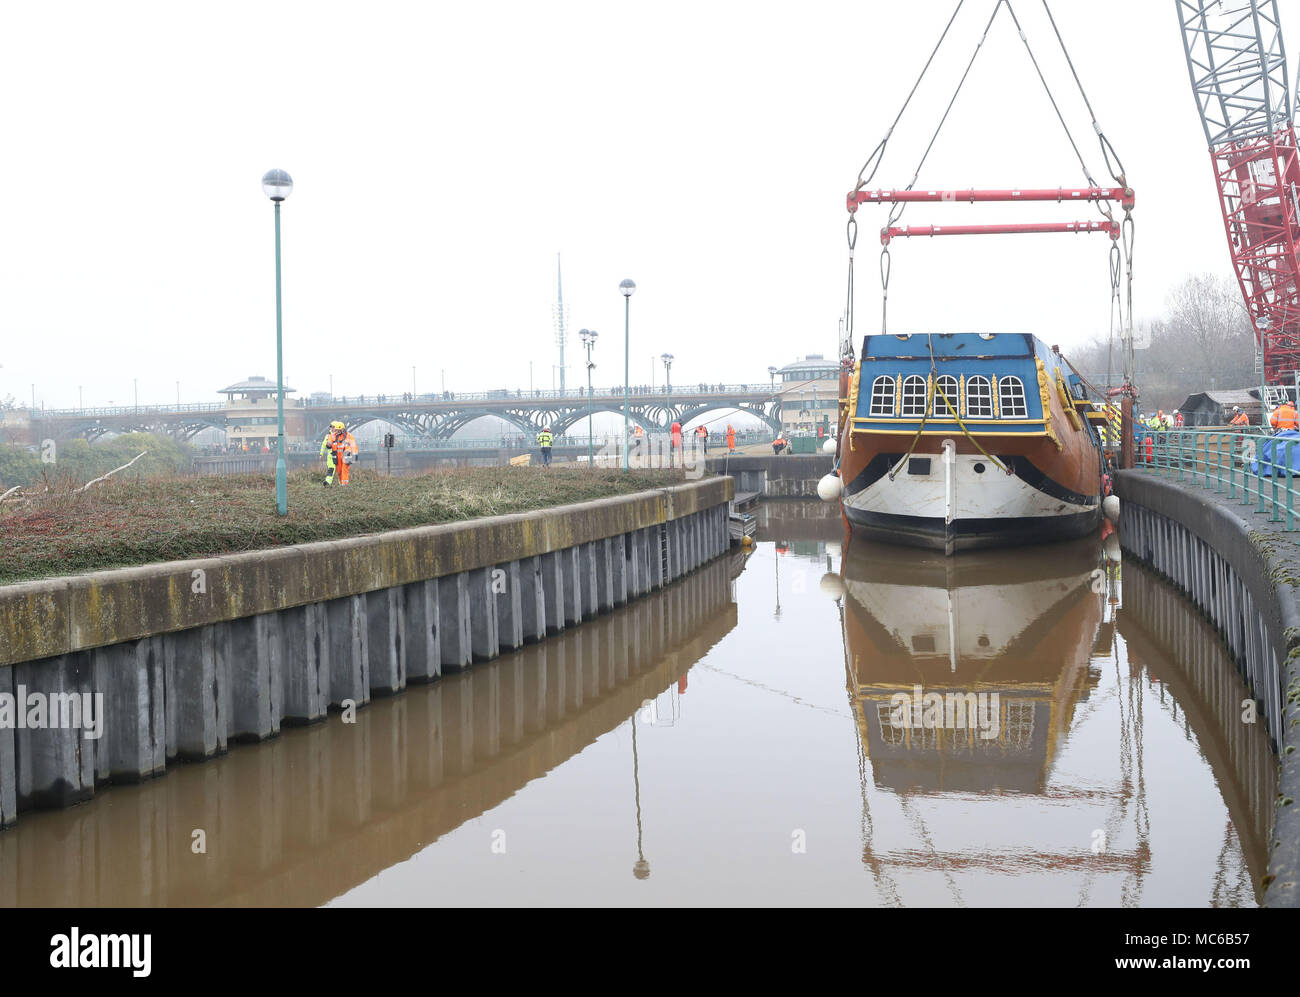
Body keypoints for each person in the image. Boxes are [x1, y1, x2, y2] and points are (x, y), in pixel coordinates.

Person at [320, 420, 358, 485]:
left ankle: (345, 485)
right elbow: (328, 444)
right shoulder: (332, 436)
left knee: (344, 470)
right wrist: (328, 445)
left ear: (342, 430)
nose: (336, 431)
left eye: (338, 430)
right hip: (337, 456)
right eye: (336, 430)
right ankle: (341, 484)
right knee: (339, 471)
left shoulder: (348, 436)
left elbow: (353, 445)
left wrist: (355, 454)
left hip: (346, 455)